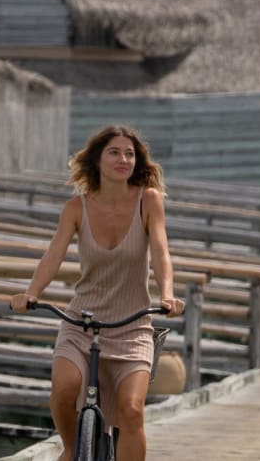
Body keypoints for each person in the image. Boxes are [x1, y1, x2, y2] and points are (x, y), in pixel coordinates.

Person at [10, 124, 185, 461]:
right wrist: (31, 293)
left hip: (132, 326)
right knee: (64, 389)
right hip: (82, 323)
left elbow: (161, 252)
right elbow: (54, 254)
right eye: (114, 152)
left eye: (130, 154)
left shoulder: (148, 201)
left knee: (132, 410)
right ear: (97, 160)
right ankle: (71, 448)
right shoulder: (76, 208)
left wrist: (167, 294)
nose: (123, 159)